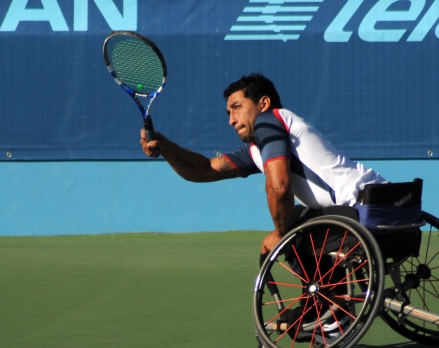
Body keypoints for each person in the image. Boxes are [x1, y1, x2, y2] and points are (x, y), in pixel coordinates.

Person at [140, 73, 387, 255]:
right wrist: (165, 147)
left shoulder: (269, 121)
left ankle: (330, 313)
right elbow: (205, 169)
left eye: (237, 108)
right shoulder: (259, 147)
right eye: (228, 113)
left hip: (364, 211)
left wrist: (280, 234)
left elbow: (279, 187)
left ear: (264, 104)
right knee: (296, 218)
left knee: (292, 227)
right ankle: (328, 308)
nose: (231, 120)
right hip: (385, 203)